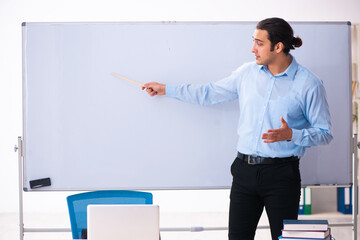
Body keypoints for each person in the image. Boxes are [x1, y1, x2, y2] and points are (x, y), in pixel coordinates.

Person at [142, 17, 333, 240]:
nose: (253, 49)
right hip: (244, 171)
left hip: (282, 176)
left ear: (278, 47)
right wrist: (166, 89)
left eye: (259, 43)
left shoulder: (309, 83)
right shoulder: (247, 73)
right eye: (253, 41)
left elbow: (325, 133)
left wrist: (293, 134)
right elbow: (208, 93)